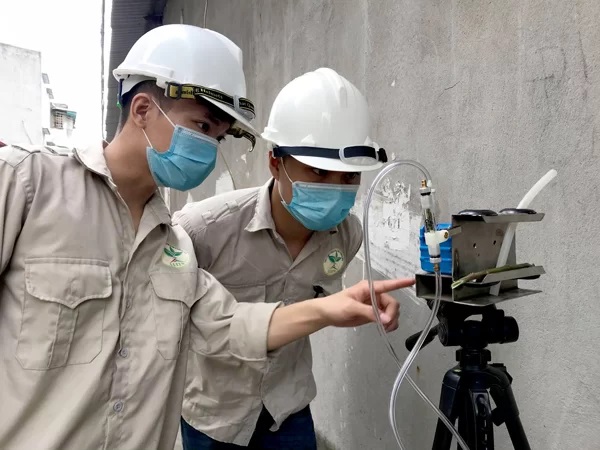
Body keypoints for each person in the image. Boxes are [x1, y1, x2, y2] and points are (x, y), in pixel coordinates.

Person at [0, 25, 412, 450]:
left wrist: (330, 308)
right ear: (142, 108)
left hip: (283, 407)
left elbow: (231, 325)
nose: (210, 148)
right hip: (212, 418)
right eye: (202, 126)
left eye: (218, 136)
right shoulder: (26, 185)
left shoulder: (172, 247)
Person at [174, 68, 391, 449]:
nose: (335, 189)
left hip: (286, 409)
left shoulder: (346, 235)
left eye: (348, 177)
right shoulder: (202, 230)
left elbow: (318, 302)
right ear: (276, 163)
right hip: (215, 416)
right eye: (319, 172)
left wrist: (350, 307)